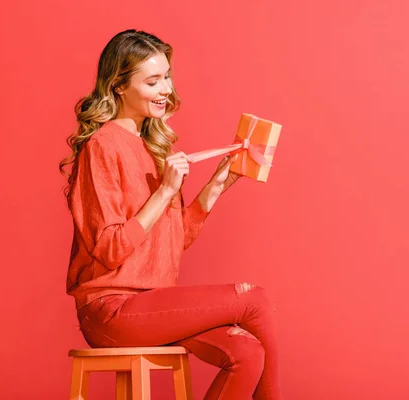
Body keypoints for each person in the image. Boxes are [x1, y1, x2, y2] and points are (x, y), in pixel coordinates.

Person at [59, 29, 282, 399]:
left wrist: (214, 188)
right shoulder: (101, 146)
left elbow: (170, 244)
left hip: (151, 304)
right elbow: (110, 249)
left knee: (247, 352)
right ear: (118, 85)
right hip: (111, 310)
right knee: (253, 299)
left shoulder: (151, 147)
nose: (165, 89)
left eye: (167, 76)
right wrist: (164, 191)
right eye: (152, 80)